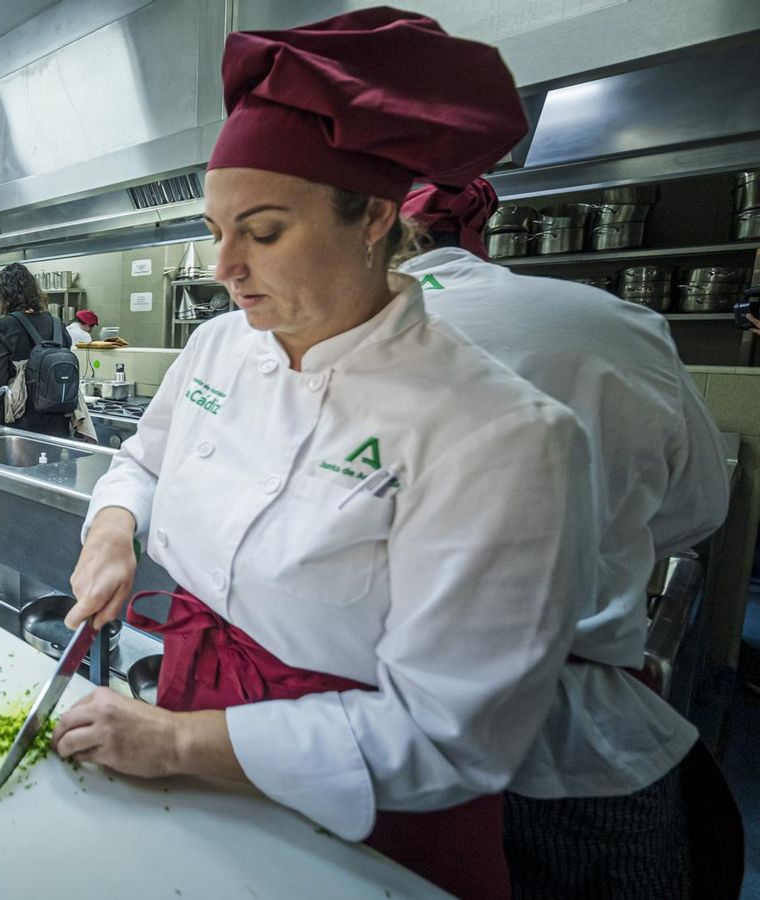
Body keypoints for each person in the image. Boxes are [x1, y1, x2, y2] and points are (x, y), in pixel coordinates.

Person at [54, 11, 593, 900]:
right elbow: (142, 463)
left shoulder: (501, 434)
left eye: (262, 232)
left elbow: (449, 737)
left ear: (375, 216)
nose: (224, 266)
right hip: (187, 720)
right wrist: (114, 530)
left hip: (369, 816)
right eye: (216, 229)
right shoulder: (220, 350)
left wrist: (177, 742)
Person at [398, 179, 736, 898]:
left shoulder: (329, 335)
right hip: (579, 742)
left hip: (379, 728)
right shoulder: (615, 324)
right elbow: (699, 510)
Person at [0, 263, 74, 438]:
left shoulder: (5, 325)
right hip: (59, 419)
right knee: (56, 465)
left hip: (21, 420)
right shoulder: (57, 323)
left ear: (4, 295)